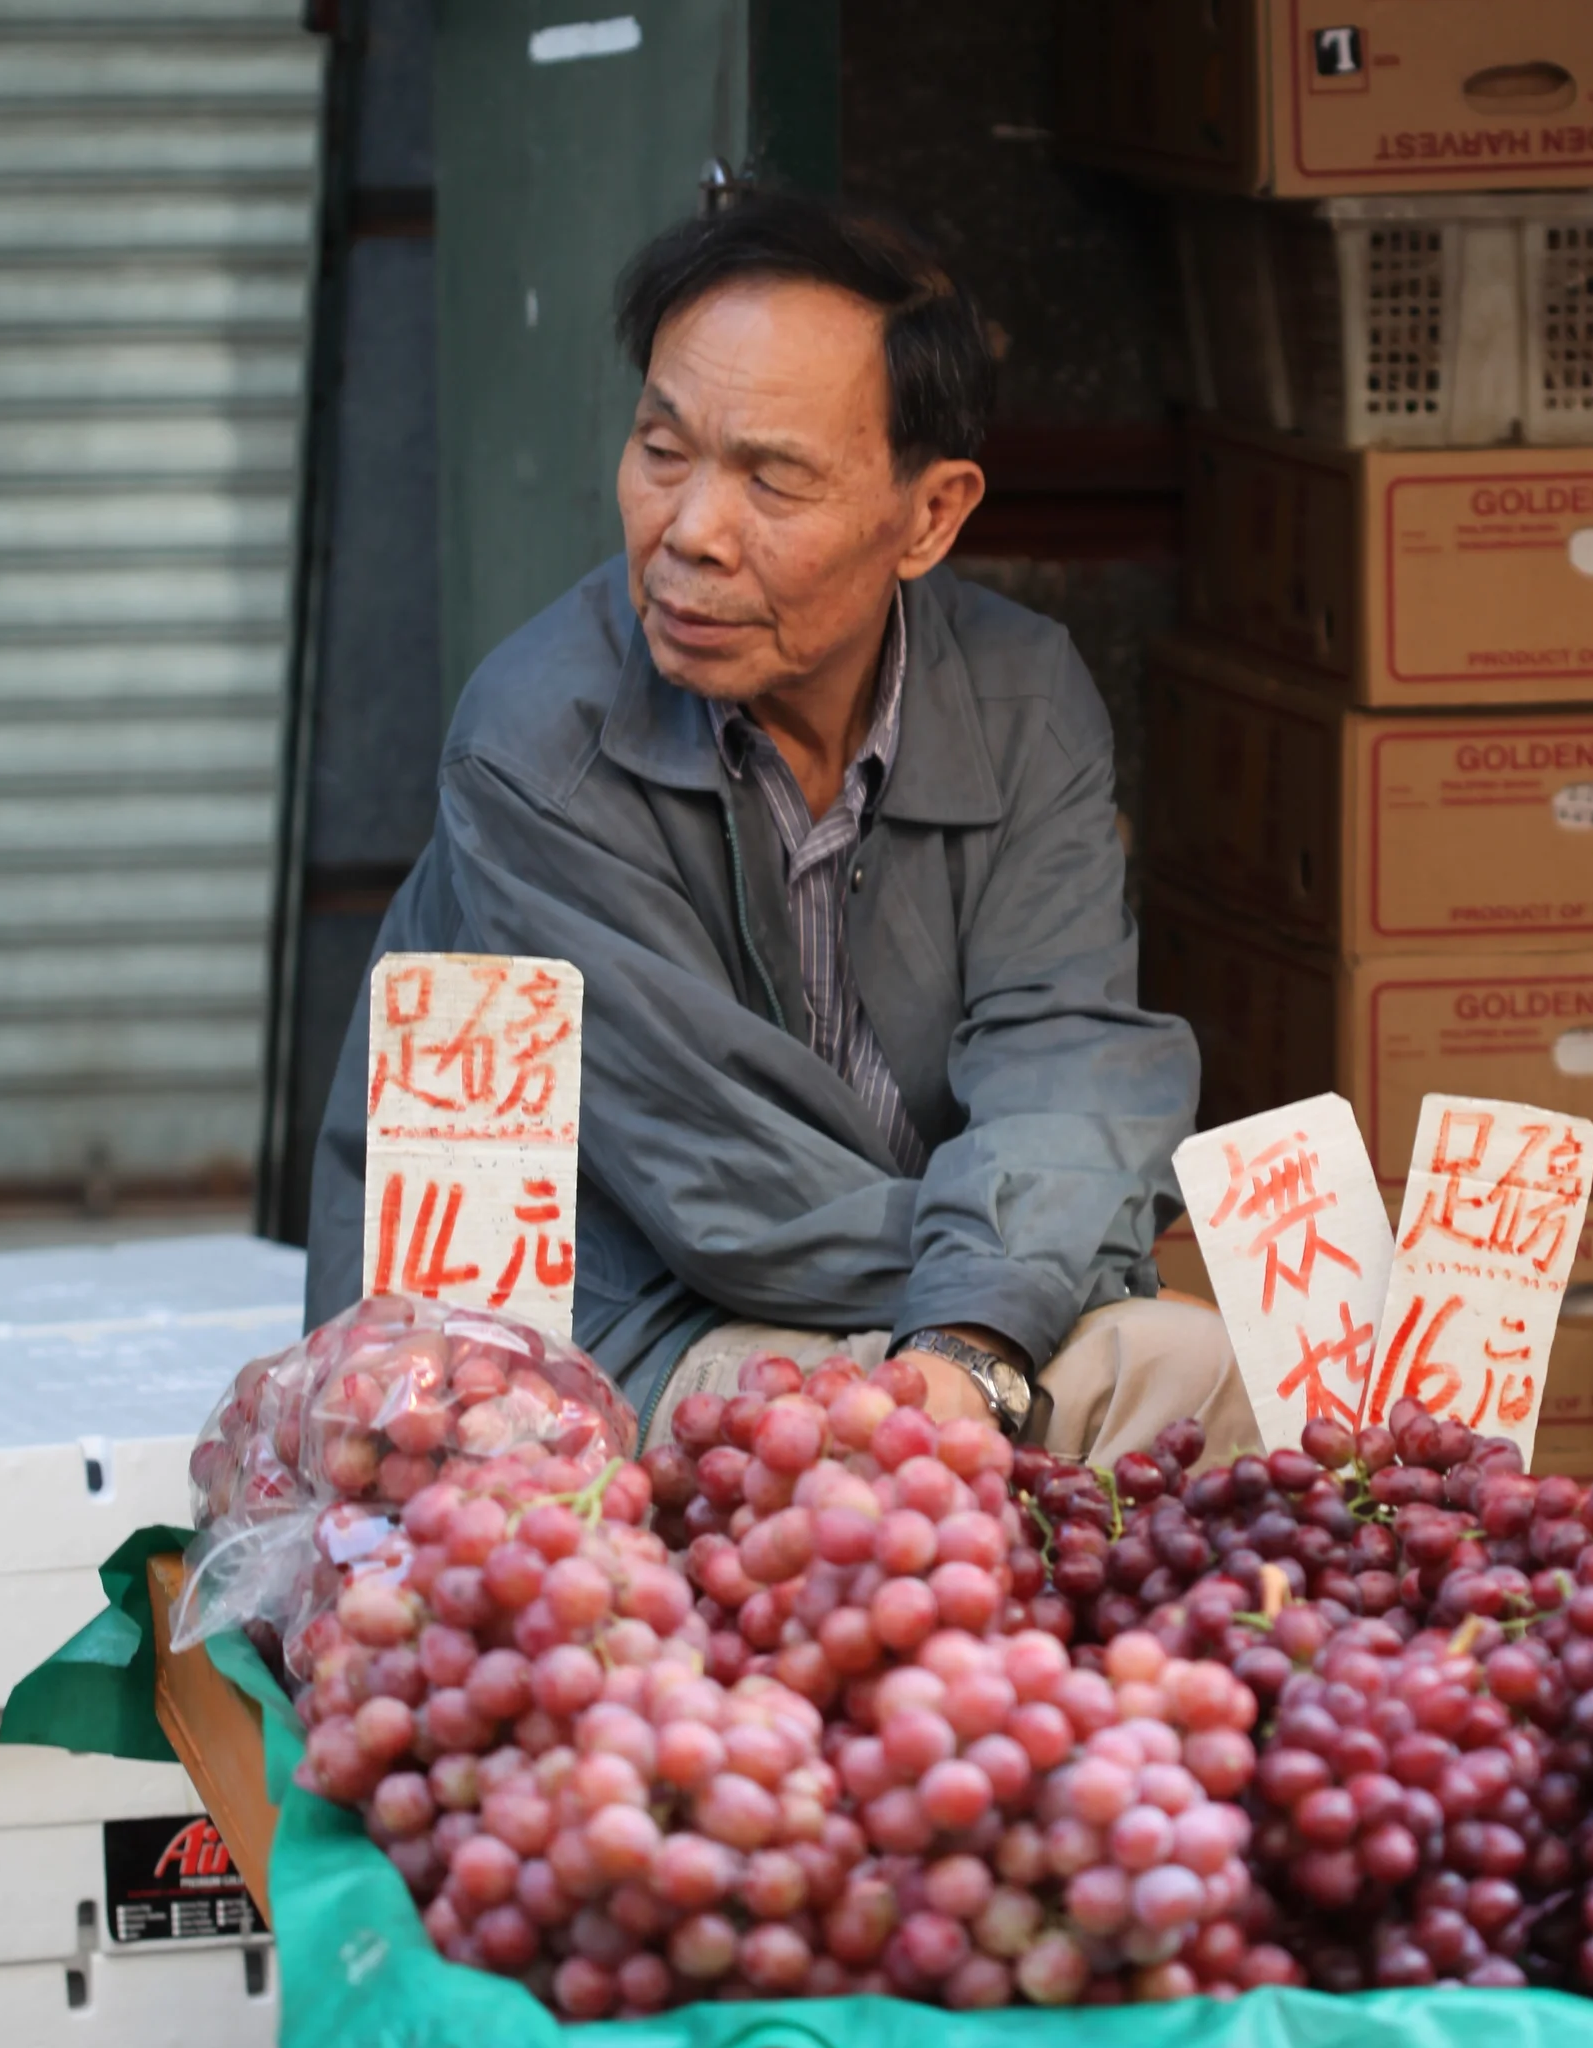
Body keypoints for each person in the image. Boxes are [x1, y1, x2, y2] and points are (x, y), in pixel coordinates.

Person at [306, 186, 1246, 1469]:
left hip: (945, 1310)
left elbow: (1070, 1055)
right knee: (866, 1454)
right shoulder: (534, 744)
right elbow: (724, 1194)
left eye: (773, 477)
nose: (688, 532)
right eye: (662, 449)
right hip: (614, 1336)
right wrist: (1023, 1269)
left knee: (1206, 1373)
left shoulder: (1026, 701)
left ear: (929, 515)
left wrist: (976, 1334)